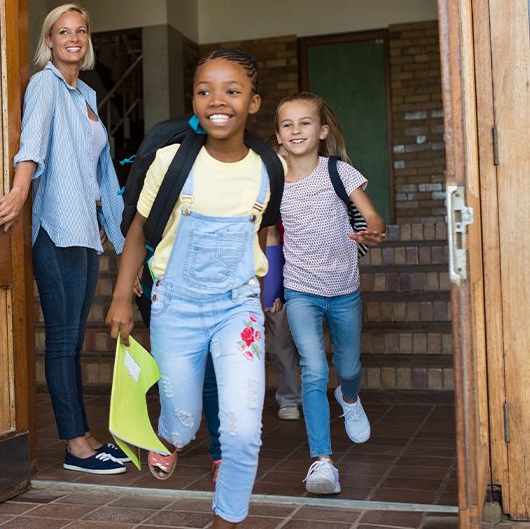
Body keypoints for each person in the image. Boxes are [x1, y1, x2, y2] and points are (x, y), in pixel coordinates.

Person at [108, 49, 277, 528]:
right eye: (204, 91)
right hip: (174, 305)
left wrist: (263, 294)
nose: (216, 100)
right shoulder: (171, 161)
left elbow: (261, 232)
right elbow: (138, 231)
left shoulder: (268, 168)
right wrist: (123, 297)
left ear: (254, 102)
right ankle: (168, 434)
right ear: (194, 101)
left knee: (244, 429)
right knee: (182, 422)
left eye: (232, 90)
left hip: (237, 309)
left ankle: (228, 517)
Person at [0, 3, 127, 475]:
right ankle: (76, 446)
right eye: (63, 32)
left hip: (85, 230)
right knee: (64, 340)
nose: (73, 38)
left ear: (87, 41)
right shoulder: (45, 84)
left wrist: (119, 238)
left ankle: (83, 435)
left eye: (80, 31)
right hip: (57, 228)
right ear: (48, 41)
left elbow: (101, 171)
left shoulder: (84, 92)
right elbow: (33, 140)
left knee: (75, 340)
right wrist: (20, 190)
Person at [274, 91, 387, 495]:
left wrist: (374, 229)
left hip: (344, 289)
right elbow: (270, 234)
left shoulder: (338, 171)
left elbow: (371, 213)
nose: (296, 130)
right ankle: (322, 461)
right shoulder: (273, 180)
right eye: (288, 124)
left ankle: (350, 397)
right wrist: (271, 285)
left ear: (321, 131)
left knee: (349, 366)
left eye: (305, 123)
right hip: (300, 289)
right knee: (314, 369)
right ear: (279, 135)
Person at [203, 217, 301, 484]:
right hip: (242, 273)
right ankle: (246, 408)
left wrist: (279, 287)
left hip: (274, 263)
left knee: (280, 340)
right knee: (242, 350)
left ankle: (289, 397)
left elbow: (282, 241)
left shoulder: (274, 197)